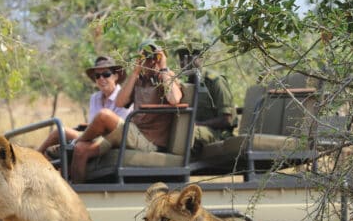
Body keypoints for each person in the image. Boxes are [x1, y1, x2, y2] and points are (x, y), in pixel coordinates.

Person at [69, 41, 183, 183]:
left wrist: (164, 67)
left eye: (154, 57)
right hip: (134, 133)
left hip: (150, 142)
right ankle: (78, 195)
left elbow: (174, 99)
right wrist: (135, 72)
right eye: (145, 57)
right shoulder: (138, 80)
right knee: (81, 150)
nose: (150, 61)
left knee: (104, 115)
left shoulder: (165, 77)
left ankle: (73, 143)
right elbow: (120, 102)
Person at [36, 56, 132, 157]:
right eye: (97, 76)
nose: (101, 79)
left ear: (116, 76)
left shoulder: (123, 96)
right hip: (92, 137)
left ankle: (36, 157)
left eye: (106, 74)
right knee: (59, 135)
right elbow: (92, 124)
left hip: (112, 139)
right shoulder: (95, 98)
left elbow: (118, 129)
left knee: (60, 133)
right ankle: (38, 157)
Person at [176, 42, 236, 153]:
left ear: (199, 59)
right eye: (181, 59)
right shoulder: (187, 85)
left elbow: (227, 120)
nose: (183, 63)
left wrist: (198, 124)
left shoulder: (215, 81)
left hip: (219, 133)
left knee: (187, 132)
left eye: (188, 58)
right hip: (198, 130)